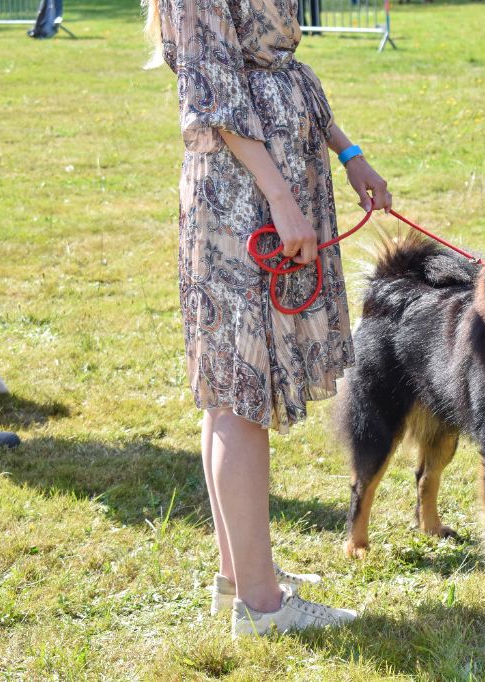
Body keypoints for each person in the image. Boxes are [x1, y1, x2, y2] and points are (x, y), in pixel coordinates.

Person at [143, 0, 391, 638]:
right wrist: (281, 200)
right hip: (242, 198)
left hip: (275, 186)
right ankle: (262, 606)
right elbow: (217, 95)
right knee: (239, 394)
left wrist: (348, 151)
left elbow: (285, 69)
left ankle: (241, 578)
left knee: (231, 395)